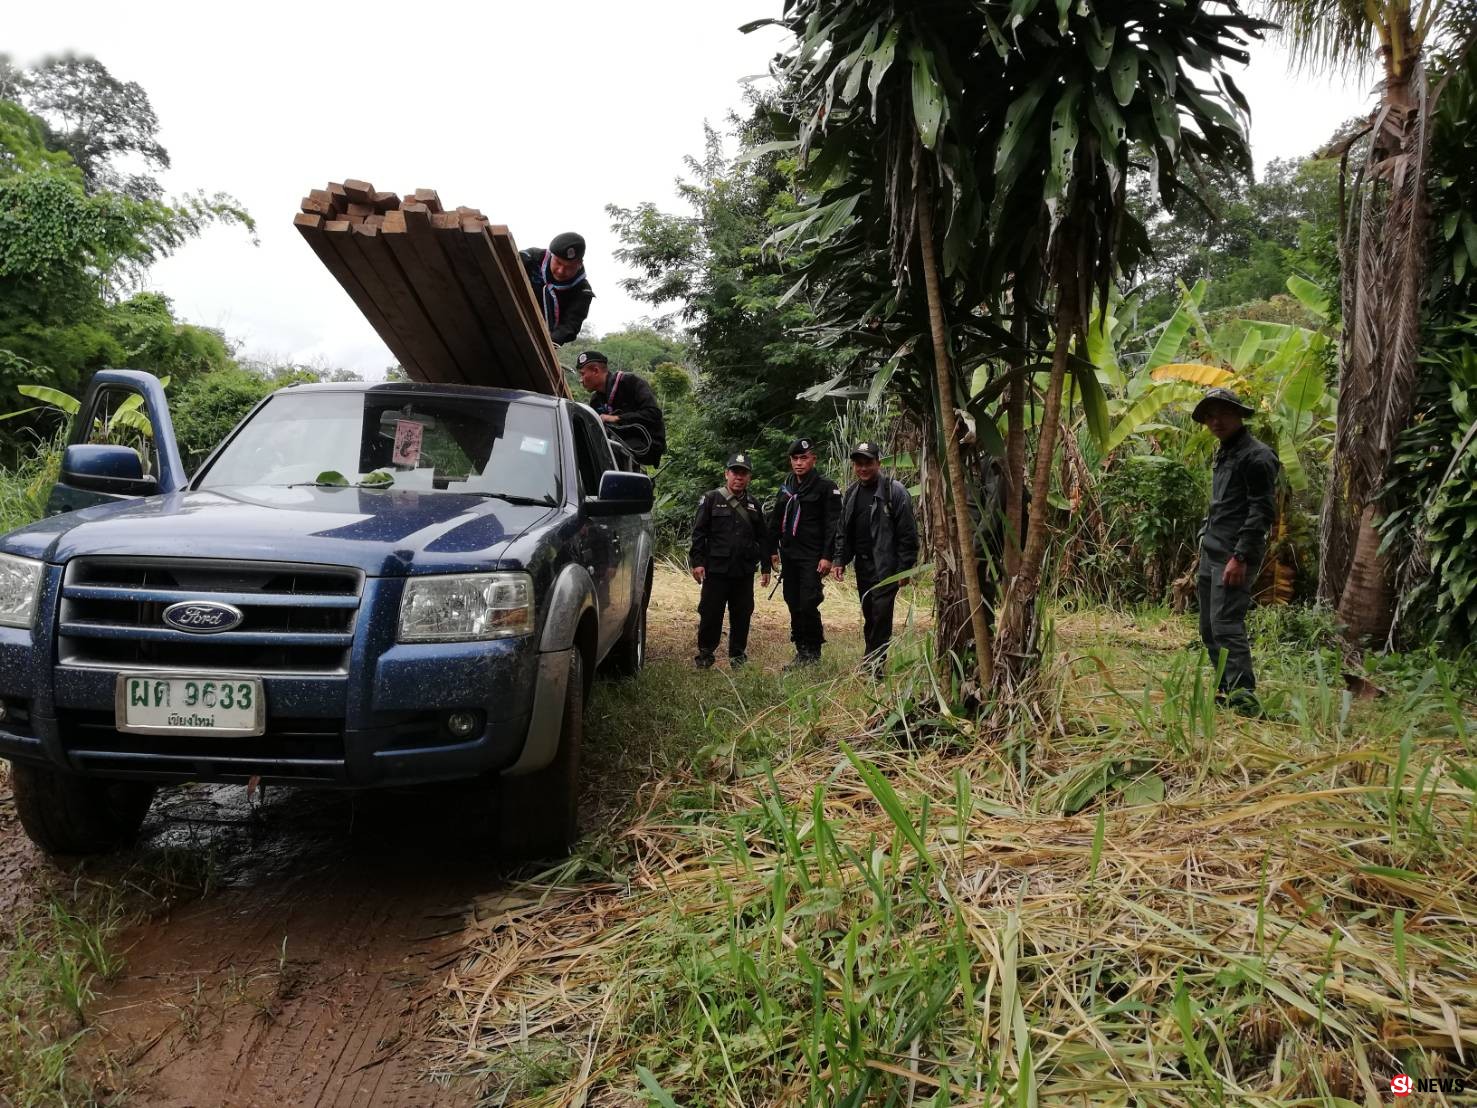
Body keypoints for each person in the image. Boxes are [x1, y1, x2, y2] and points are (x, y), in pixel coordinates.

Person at [1193, 387, 1279, 714]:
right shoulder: (1225, 451)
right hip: (1212, 549)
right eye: (1210, 416)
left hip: (1233, 554)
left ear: (1239, 414)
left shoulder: (1257, 456)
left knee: (1227, 626)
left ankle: (1243, 701)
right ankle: (1224, 691)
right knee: (1209, 628)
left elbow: (1261, 512)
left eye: (1223, 413)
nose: (1216, 421)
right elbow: (1221, 505)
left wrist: (1240, 556)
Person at [833, 440, 919, 672]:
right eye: (858, 464)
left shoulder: (894, 491)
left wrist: (905, 568)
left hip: (886, 567)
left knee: (881, 616)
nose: (863, 468)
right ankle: (871, 657)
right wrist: (840, 559)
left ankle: (873, 666)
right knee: (870, 614)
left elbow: (908, 533)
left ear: (878, 463)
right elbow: (843, 529)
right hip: (862, 565)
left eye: (868, 463)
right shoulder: (852, 492)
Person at [689, 452, 773, 669]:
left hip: (743, 571)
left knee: (742, 615)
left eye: (744, 473)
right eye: (735, 472)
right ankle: (705, 655)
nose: (739, 477)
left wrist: (765, 566)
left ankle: (737, 656)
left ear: (749, 477)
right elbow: (699, 533)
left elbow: (763, 537)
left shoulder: (753, 504)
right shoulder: (711, 499)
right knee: (710, 614)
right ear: (726, 474)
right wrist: (697, 562)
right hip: (716, 570)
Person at [769, 436, 841, 670]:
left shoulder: (825, 487)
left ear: (813, 459)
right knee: (792, 601)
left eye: (804, 458)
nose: (799, 463)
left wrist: (827, 556)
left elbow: (833, 524)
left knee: (809, 602)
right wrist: (772, 549)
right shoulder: (788, 486)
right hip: (790, 555)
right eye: (795, 458)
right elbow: (776, 519)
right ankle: (801, 649)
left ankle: (813, 650)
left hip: (813, 556)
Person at [576, 351, 667, 467]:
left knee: (607, 452)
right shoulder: (595, 401)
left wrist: (617, 418)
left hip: (647, 442)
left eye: (582, 374)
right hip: (617, 442)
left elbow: (654, 413)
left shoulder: (630, 382)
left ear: (595, 371)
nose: (581, 380)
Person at [520, 232, 594, 346]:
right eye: (558, 262)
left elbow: (570, 326)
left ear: (579, 264)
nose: (561, 271)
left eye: (569, 267)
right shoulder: (530, 259)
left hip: (538, 341)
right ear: (551, 255)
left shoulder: (583, 292)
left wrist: (546, 343)